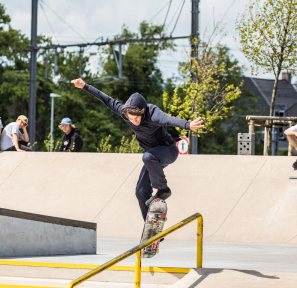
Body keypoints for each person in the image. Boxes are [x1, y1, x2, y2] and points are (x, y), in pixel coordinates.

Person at [71, 77, 204, 221]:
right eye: (130, 119)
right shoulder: (125, 112)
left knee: (147, 157)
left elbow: (169, 119)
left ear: (142, 111)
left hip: (168, 151)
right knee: (140, 192)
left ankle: (163, 189)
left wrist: (187, 125)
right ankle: (151, 226)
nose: (134, 122)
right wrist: (84, 86)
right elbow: (106, 99)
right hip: (153, 157)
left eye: (136, 119)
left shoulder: (153, 113)